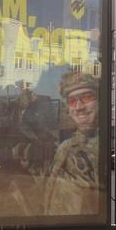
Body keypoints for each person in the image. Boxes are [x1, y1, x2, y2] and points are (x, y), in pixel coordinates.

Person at [44, 71, 102, 216]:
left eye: (87, 97)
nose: (79, 107)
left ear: (100, 101)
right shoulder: (65, 147)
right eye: (72, 101)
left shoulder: (104, 145)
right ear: (68, 110)